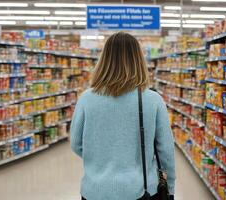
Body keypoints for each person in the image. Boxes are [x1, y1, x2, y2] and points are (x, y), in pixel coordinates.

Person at [70, 32, 175, 200]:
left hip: (95, 190)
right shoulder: (153, 100)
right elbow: (166, 152)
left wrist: (102, 157)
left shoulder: (86, 99)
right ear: (138, 60)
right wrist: (170, 188)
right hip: (141, 190)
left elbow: (76, 144)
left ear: (104, 60)